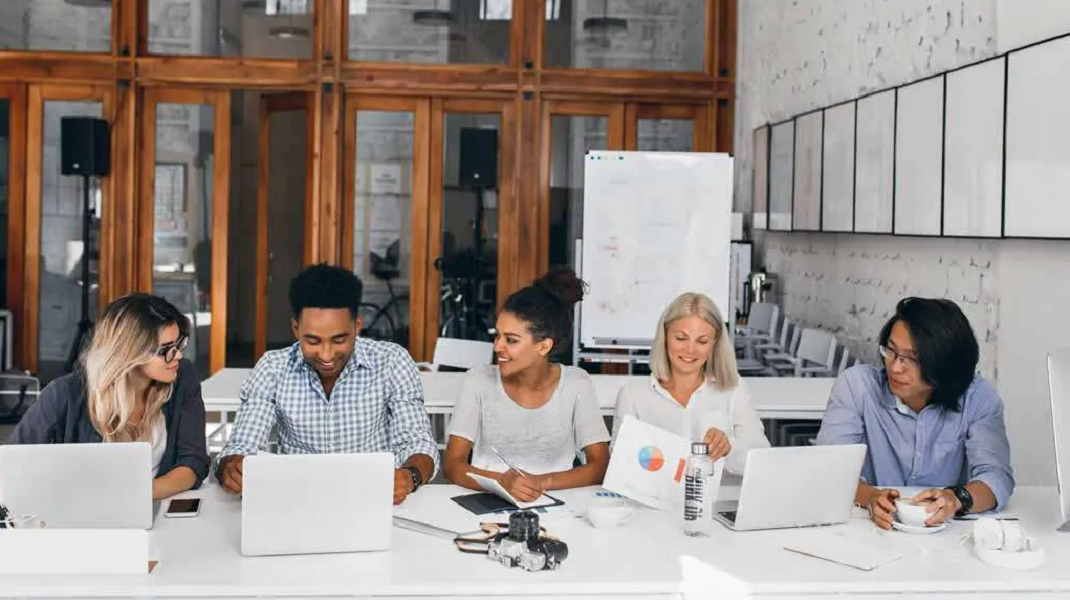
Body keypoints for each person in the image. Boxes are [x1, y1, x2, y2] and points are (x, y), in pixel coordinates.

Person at [216, 264, 437, 505]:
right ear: (295, 329)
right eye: (312, 340)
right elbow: (241, 445)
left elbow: (418, 442)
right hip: (296, 504)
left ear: (357, 326)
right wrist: (232, 468)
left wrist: (410, 475)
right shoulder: (272, 368)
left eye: (339, 339)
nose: (326, 354)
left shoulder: (391, 361)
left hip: (373, 501)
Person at [817, 297, 1014, 529]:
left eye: (912, 359)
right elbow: (830, 468)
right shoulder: (857, 387)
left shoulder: (978, 397)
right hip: (870, 531)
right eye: (891, 351)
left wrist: (957, 499)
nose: (895, 367)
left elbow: (996, 477)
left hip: (945, 536)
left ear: (945, 365)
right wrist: (870, 497)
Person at [8, 293, 209, 500]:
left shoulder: (182, 377)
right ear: (128, 352)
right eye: (166, 350)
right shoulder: (63, 394)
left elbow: (193, 461)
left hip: (156, 510)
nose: (178, 355)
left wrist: (138, 496)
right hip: (81, 517)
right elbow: (11, 466)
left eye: (178, 344)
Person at [443, 267, 610, 502]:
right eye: (497, 335)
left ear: (543, 346)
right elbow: (452, 465)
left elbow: (600, 466)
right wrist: (501, 482)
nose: (497, 346)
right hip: (484, 501)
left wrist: (542, 482)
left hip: (560, 505)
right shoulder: (477, 381)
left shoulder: (576, 384)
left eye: (511, 340)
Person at [612, 292, 770, 475]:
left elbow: (762, 458)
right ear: (665, 336)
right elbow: (618, 463)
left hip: (720, 502)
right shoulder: (633, 394)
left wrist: (729, 446)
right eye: (681, 338)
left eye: (702, 341)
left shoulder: (733, 389)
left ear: (714, 344)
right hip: (653, 502)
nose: (690, 350)